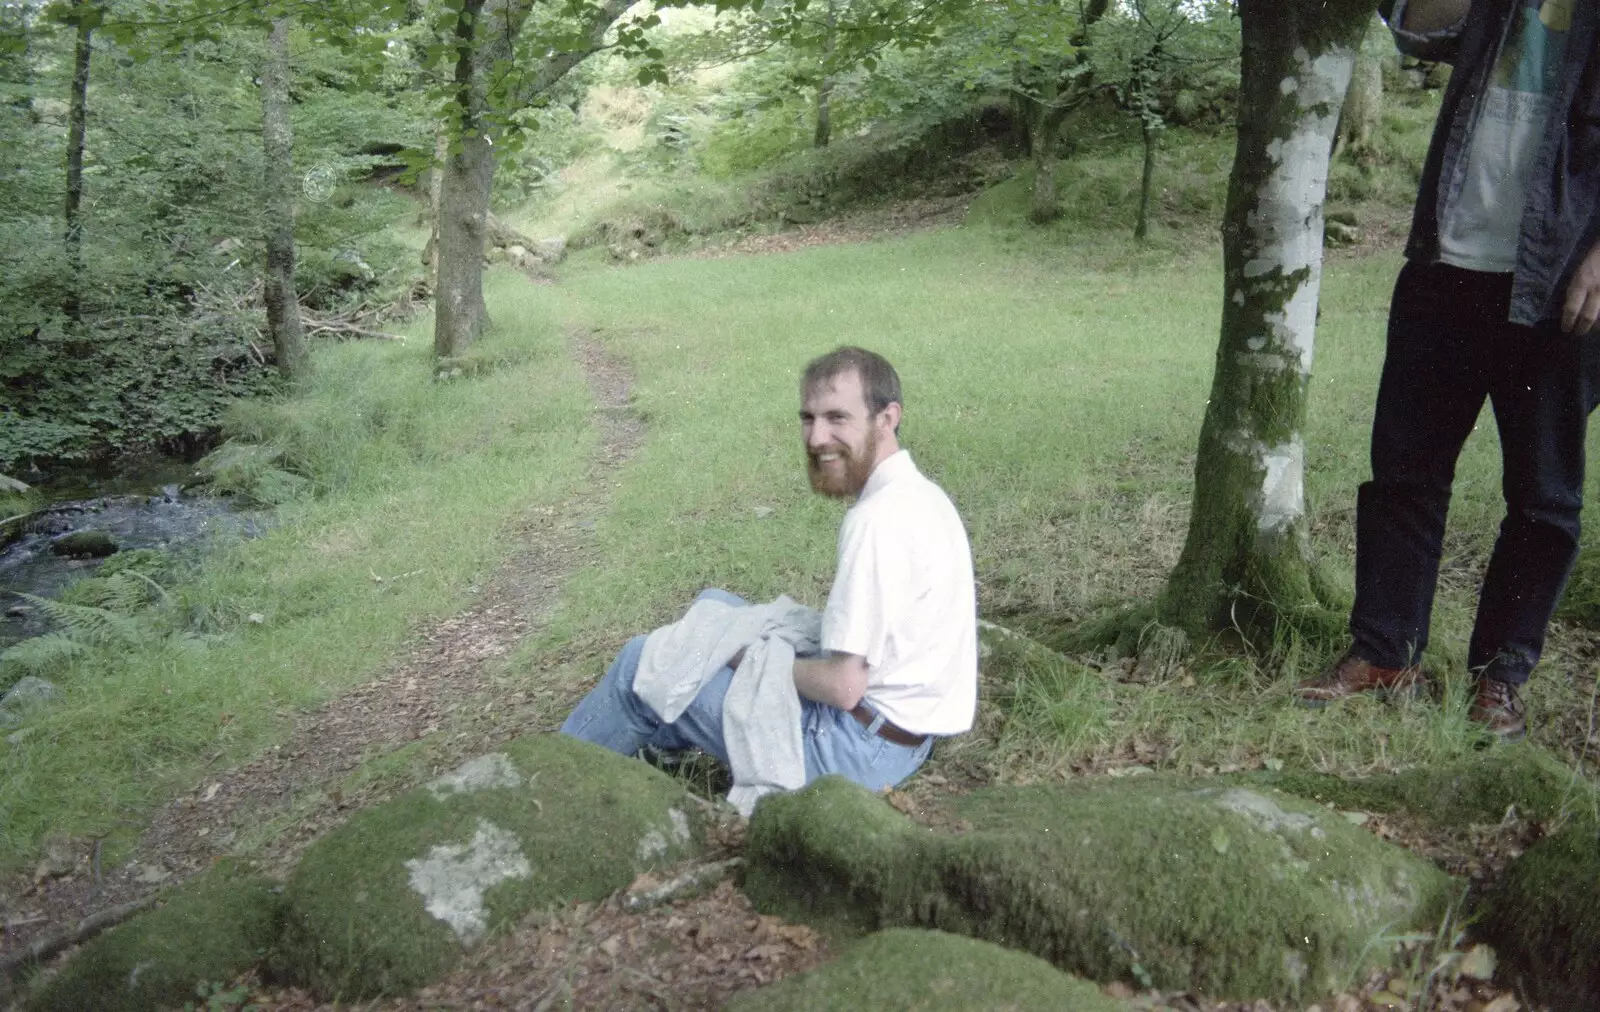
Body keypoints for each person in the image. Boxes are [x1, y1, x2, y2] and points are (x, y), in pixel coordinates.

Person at [1296, 0, 1600, 739]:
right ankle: (1385, 653)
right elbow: (1413, 24)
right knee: (1405, 470)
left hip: (1559, 278)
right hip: (1447, 261)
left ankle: (1499, 679)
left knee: (1542, 497)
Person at [561, 346, 978, 801]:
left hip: (852, 751)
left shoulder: (875, 523)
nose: (817, 437)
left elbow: (843, 687)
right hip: (902, 738)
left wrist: (745, 657)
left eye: (837, 417)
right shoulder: (920, 493)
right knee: (714, 604)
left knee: (639, 663)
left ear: (887, 417)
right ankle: (662, 747)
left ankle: (547, 787)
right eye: (808, 417)